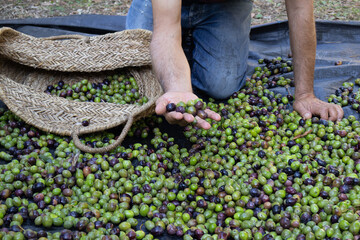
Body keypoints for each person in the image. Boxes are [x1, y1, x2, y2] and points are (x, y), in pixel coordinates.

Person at [126, 0, 344, 129]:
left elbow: (300, 10)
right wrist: (178, 89)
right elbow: (166, 32)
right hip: (161, 7)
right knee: (141, 75)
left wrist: (305, 94)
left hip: (226, 5)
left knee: (221, 85)